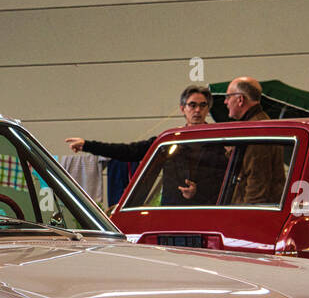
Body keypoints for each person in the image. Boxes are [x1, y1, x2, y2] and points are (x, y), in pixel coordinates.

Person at [65, 85, 225, 205]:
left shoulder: (220, 141)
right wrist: (87, 145)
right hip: (172, 210)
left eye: (202, 105)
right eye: (192, 105)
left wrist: (199, 191)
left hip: (208, 209)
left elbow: (224, 178)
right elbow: (129, 151)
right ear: (183, 109)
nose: (197, 110)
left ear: (208, 108)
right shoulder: (169, 140)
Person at [223, 76, 286, 205]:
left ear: (240, 99)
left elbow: (257, 181)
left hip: (253, 211)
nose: (225, 102)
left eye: (228, 97)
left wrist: (246, 217)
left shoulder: (256, 132)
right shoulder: (259, 125)